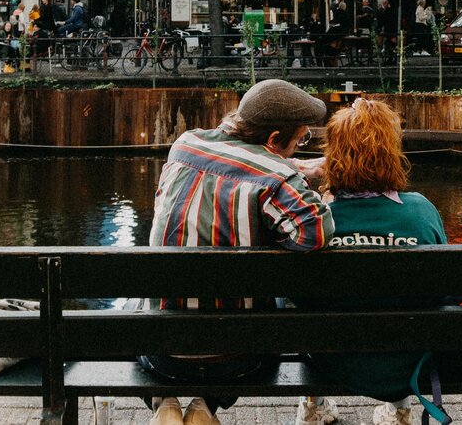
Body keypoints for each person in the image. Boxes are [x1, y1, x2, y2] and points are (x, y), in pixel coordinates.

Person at [143, 79, 334, 425]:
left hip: (162, 355)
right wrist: (291, 174)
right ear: (274, 140)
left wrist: (288, 166)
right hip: (238, 359)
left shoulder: (184, 145)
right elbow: (314, 233)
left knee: (139, 301)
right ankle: (204, 405)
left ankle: (163, 403)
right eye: (300, 140)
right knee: (265, 306)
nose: (300, 148)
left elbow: (236, 157)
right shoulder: (277, 176)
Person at [295, 98, 447, 425]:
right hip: (407, 362)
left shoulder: (315, 222)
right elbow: (441, 289)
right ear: (393, 151)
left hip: (330, 361)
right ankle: (398, 408)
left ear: (332, 154)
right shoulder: (421, 211)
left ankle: (314, 406)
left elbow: (297, 298)